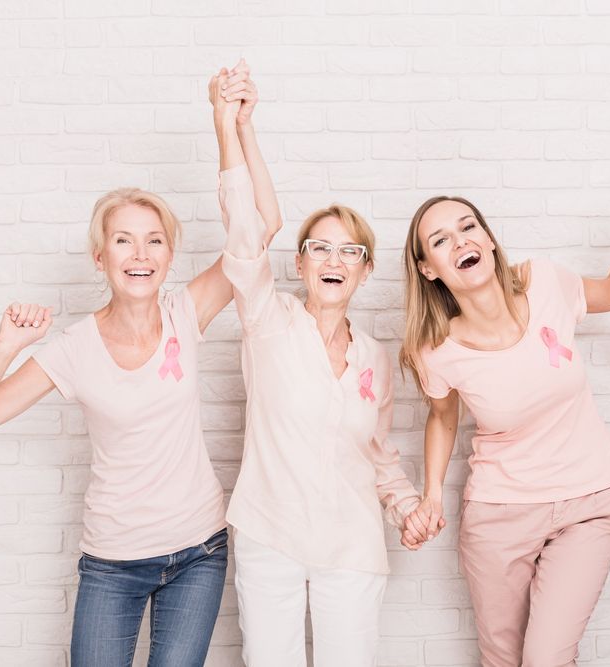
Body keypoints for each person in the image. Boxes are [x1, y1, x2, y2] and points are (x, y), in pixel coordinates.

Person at [0, 90, 242, 666]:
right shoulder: (74, 348)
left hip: (200, 550)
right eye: (123, 239)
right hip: (112, 562)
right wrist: (4, 346)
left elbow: (260, 231)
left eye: (154, 240)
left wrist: (226, 125)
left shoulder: (187, 313)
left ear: (169, 256)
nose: (140, 252)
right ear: (99, 257)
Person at [396, 177, 610, 665]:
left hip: (588, 505)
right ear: (428, 268)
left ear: (487, 238)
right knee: (503, 660)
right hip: (498, 517)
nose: (461, 240)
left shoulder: (545, 282)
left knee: (546, 658)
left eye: (468, 226)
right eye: (441, 240)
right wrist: (432, 494)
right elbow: (442, 417)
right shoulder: (435, 348)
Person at [211, 60, 422, 667]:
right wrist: (235, 127)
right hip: (268, 533)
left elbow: (379, 458)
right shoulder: (266, 318)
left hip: (351, 544)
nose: (334, 259)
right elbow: (244, 225)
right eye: (319, 248)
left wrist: (407, 508)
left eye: (349, 250)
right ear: (300, 264)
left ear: (364, 269)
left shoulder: (375, 359)